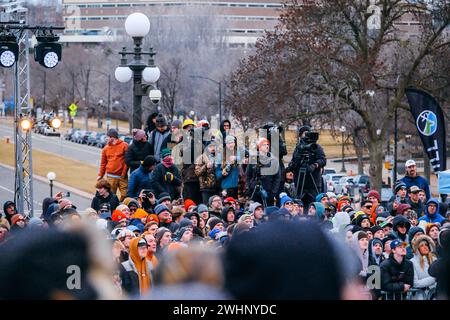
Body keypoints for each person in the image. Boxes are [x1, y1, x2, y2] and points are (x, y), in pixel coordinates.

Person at [286, 125, 326, 209]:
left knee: (314, 205)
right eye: (305, 134)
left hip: (313, 182)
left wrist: (314, 165)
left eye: (308, 133)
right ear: (300, 135)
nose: (306, 136)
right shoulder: (298, 148)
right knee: (299, 205)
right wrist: (296, 161)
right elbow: (293, 162)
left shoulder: (316, 147)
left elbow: (323, 160)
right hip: (300, 183)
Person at [245, 138, 281, 206]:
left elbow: (277, 177)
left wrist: (273, 192)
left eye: (268, 144)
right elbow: (248, 174)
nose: (267, 146)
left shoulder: (274, 160)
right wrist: (248, 186)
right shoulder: (253, 159)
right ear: (259, 147)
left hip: (268, 191)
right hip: (254, 190)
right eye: (264, 145)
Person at [97, 128, 129, 201]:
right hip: (110, 177)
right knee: (111, 195)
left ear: (112, 137)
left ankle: (121, 206)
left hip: (122, 176)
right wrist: (100, 175)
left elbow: (127, 161)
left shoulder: (124, 145)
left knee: (125, 194)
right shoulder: (106, 148)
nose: (106, 138)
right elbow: (103, 163)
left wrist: (123, 174)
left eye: (108, 137)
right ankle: (112, 208)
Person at [411, 234, 437, 299]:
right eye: (421, 246)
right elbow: (415, 283)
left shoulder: (435, 260)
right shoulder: (412, 262)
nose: (425, 247)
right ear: (417, 249)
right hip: (420, 296)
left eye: (426, 245)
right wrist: (434, 279)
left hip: (436, 294)